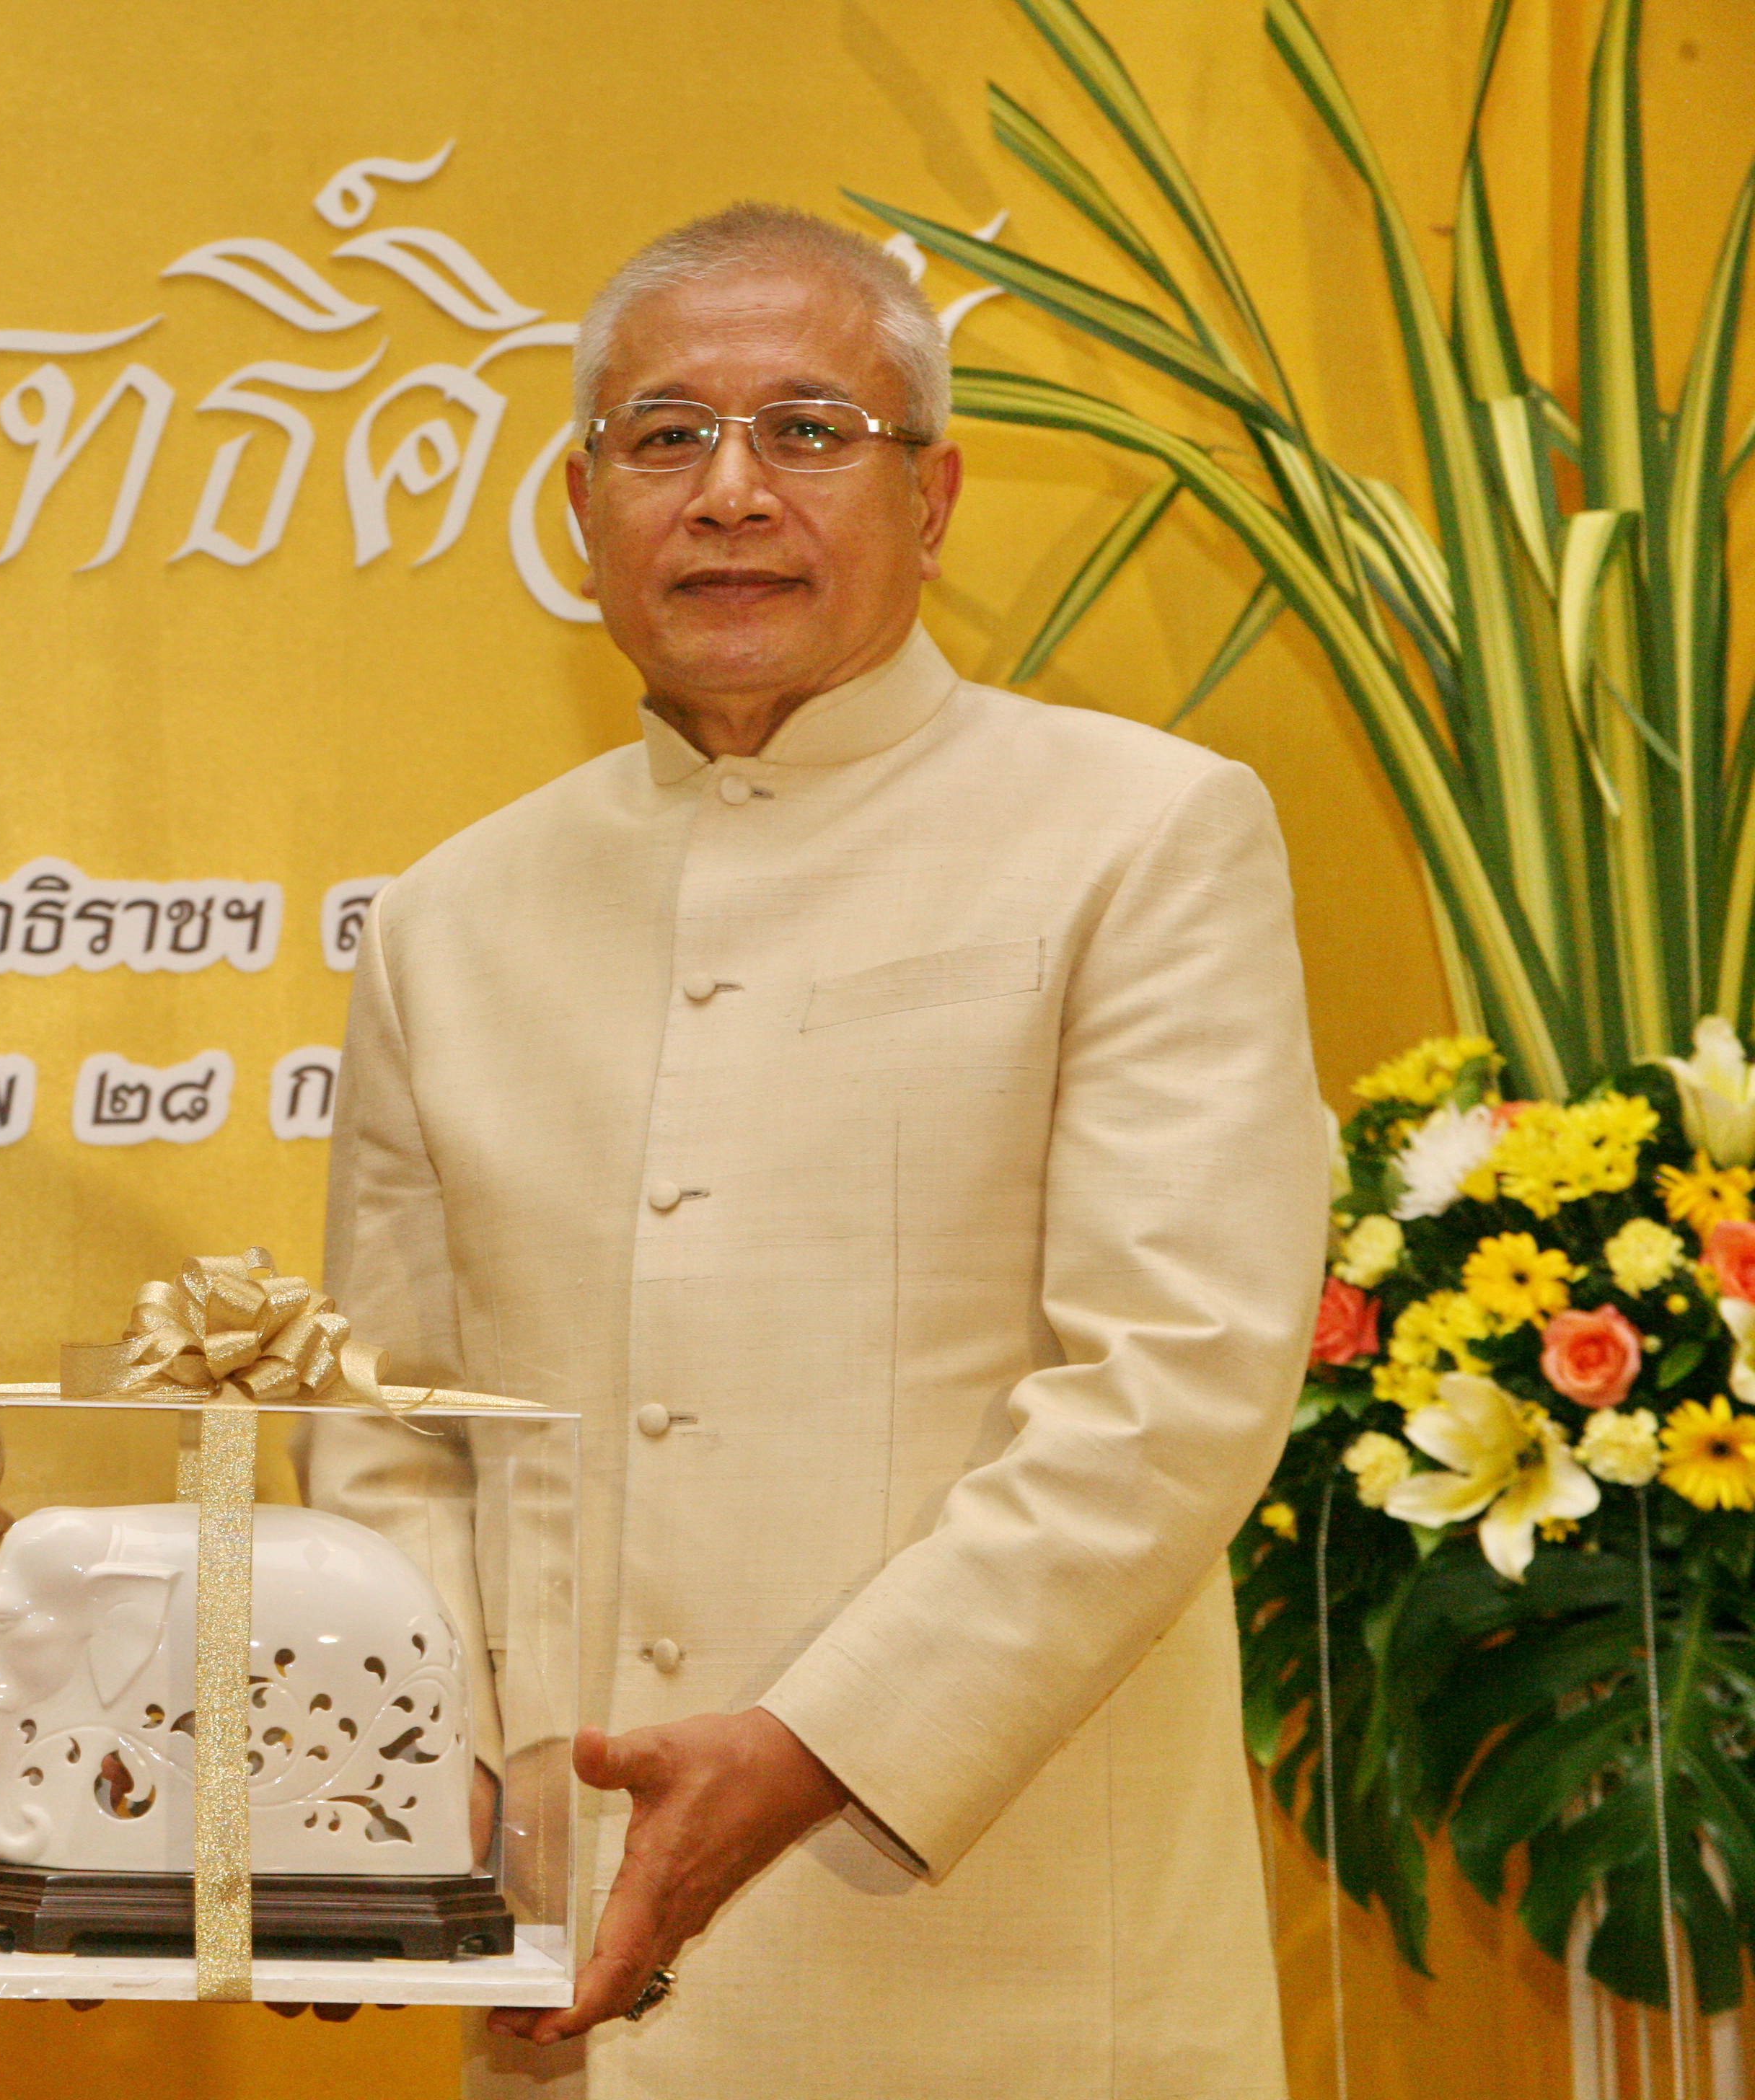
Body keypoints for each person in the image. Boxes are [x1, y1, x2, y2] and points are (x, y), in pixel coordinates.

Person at [303, 203, 1327, 2096]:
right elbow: (392, 1425)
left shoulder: (1141, 834)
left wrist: (810, 1746)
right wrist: (417, 1784)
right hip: (565, 1980)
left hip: (1004, 1977)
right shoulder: (452, 918)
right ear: (581, 504)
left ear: (932, 498)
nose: (731, 493)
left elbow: (1172, 1385)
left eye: (808, 431)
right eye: (665, 436)